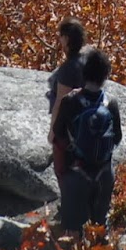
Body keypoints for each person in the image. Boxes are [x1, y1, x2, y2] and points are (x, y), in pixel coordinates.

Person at [54, 47, 123, 235]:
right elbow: (117, 137)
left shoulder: (70, 101)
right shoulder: (111, 103)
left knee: (72, 232)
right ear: (106, 75)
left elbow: (57, 133)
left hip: (76, 173)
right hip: (104, 174)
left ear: (84, 73)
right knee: (100, 227)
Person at [46, 18, 87, 189]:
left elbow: (60, 102)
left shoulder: (68, 69)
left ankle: (69, 206)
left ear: (67, 39)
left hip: (67, 129)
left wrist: (52, 131)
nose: (59, 39)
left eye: (61, 36)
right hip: (85, 125)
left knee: (62, 169)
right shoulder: (86, 60)